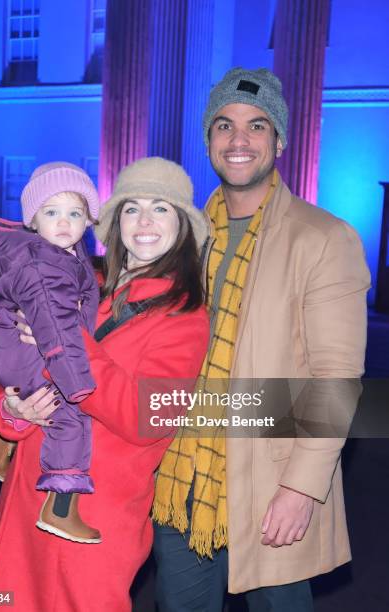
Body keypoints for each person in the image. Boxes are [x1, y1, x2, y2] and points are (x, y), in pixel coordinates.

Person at [152, 67, 370, 611]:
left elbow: (336, 379)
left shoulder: (322, 238)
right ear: (208, 140)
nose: (239, 140)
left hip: (271, 486)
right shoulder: (180, 238)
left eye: (257, 125)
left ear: (279, 140)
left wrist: (301, 489)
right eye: (224, 125)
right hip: (180, 480)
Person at [0, 157, 210, 611]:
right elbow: (6, 371)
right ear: (111, 222)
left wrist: (68, 340)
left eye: (161, 208)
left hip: (95, 516)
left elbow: (148, 418)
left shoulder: (185, 316)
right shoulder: (81, 281)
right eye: (131, 208)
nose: (144, 221)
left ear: (182, 225)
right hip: (27, 497)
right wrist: (11, 410)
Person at [0, 162, 102, 543]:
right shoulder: (46, 264)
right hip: (33, 358)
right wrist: (77, 383)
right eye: (52, 212)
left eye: (75, 213)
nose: (65, 222)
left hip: (21, 360)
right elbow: (56, 328)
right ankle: (60, 508)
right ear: (33, 221)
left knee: (48, 403)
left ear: (89, 221)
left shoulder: (65, 257)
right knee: (72, 419)